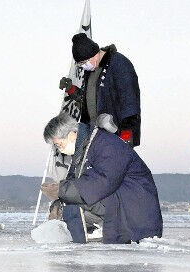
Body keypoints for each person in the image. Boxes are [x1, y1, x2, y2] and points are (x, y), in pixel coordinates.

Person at [41, 113, 162, 244]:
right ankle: (94, 227)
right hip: (120, 204)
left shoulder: (108, 144)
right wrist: (60, 202)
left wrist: (62, 190)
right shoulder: (82, 151)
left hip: (137, 214)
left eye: (59, 145)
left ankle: (102, 227)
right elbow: (73, 181)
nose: (60, 150)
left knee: (86, 193)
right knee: (70, 202)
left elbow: (103, 182)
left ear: (71, 134)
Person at [59, 33, 141, 147]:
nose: (83, 66)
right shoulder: (91, 71)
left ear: (92, 54)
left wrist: (126, 135)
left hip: (115, 136)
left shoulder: (119, 63)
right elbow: (89, 101)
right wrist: (72, 89)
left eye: (83, 62)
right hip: (94, 136)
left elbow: (129, 100)